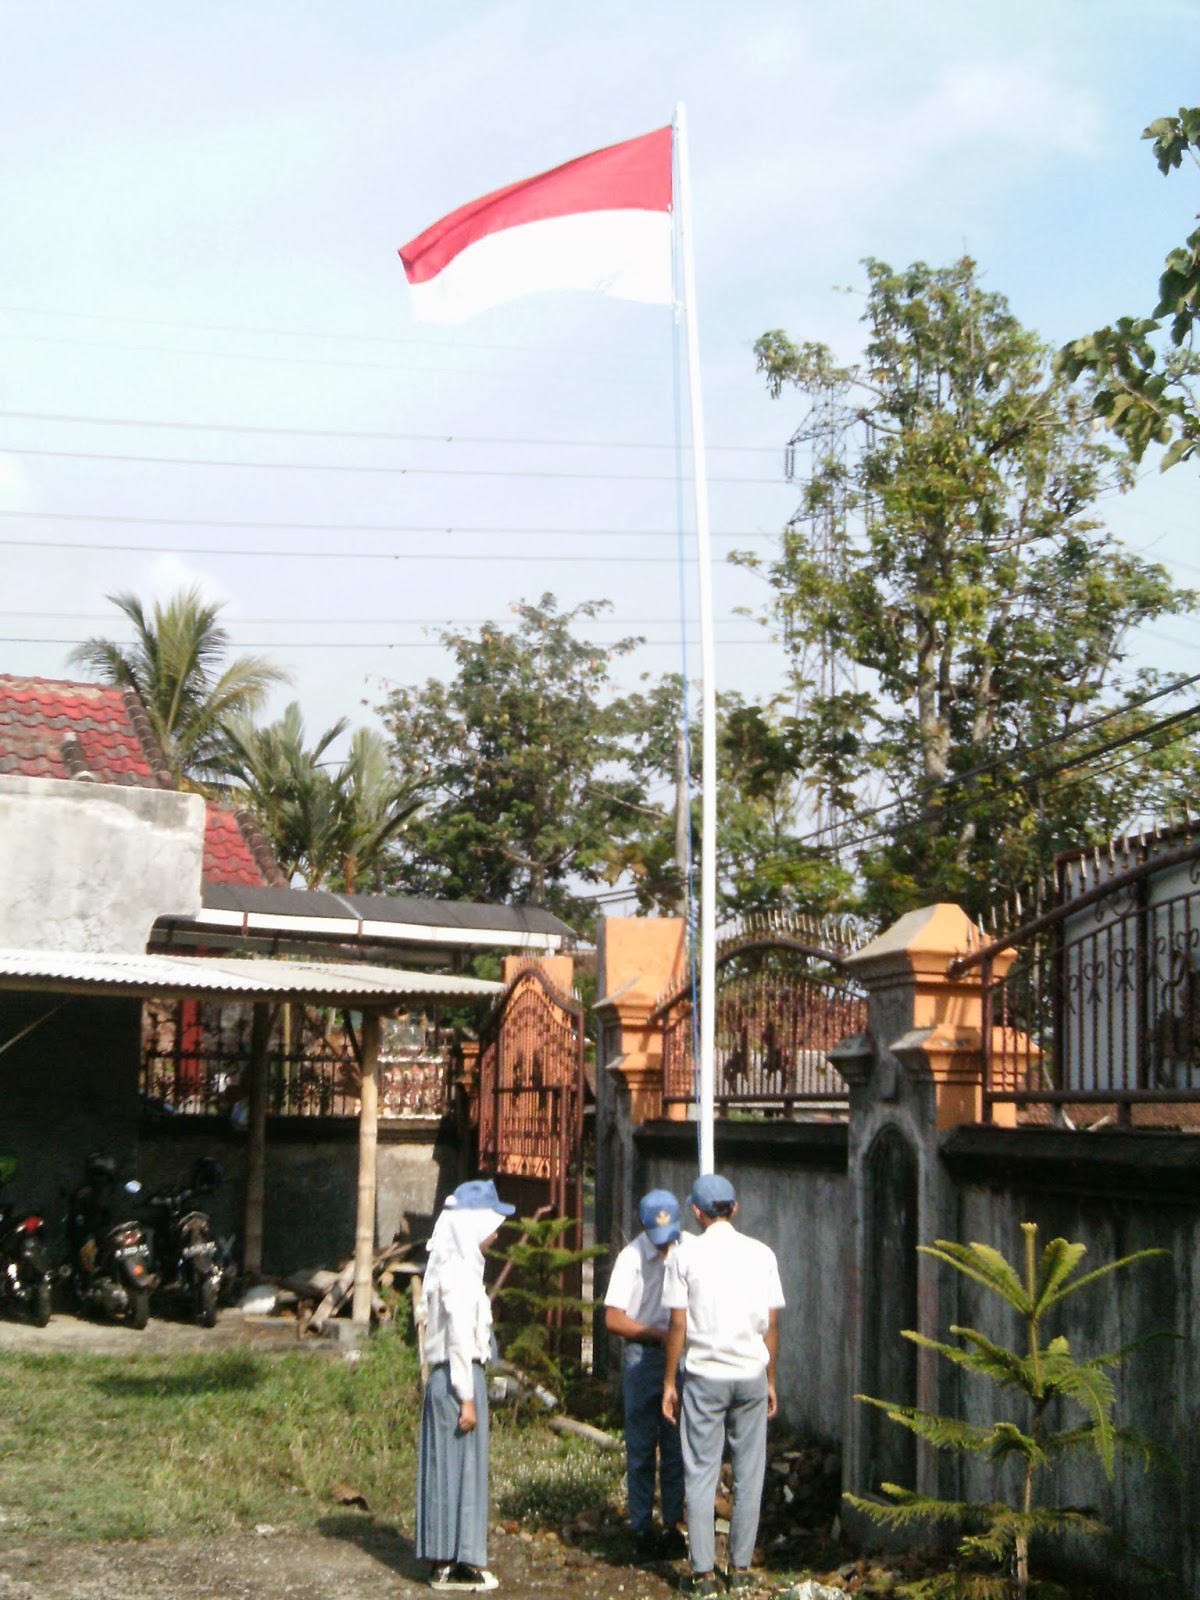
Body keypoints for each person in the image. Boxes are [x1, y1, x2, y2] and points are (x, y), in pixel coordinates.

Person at [661, 1174, 785, 1597]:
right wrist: (770, 1379)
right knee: (750, 1471)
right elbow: (771, 1323)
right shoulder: (762, 1254)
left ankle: (703, 1574)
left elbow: (678, 1323)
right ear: (734, 1208)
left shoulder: (684, 1257)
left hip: (705, 1374)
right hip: (750, 1371)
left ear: (696, 1212)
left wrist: (668, 1382)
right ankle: (742, 1566)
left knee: (701, 1471)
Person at [416, 1178, 514, 1594]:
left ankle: (455, 1558)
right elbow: (458, 1340)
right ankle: (452, 1562)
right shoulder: (457, 1272)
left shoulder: (456, 1265)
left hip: (454, 1378)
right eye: (492, 1225)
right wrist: (468, 1399)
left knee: (454, 1470)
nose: (497, 1234)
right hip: (458, 1380)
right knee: (457, 1469)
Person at [603, 1188, 688, 1563]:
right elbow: (613, 1318)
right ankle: (640, 1525)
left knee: (675, 1447)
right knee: (640, 1447)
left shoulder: (688, 1250)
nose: (666, 1247)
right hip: (644, 1354)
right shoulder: (631, 1259)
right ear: (643, 1225)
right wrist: (659, 1336)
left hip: (680, 1355)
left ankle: (672, 1525)